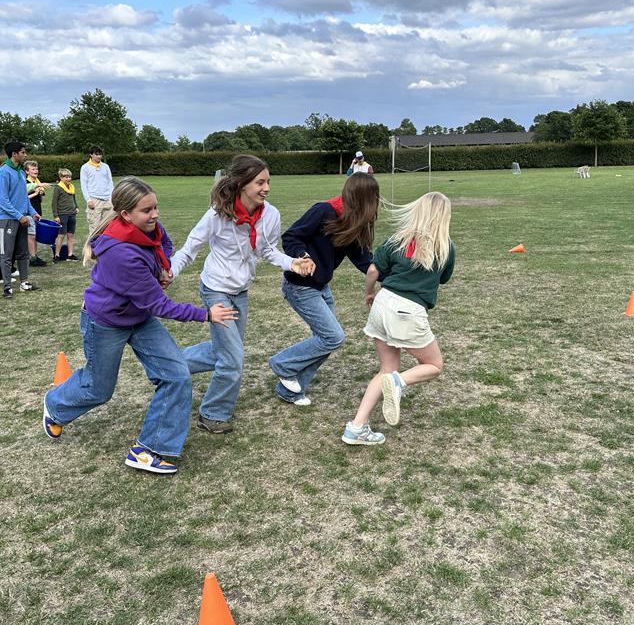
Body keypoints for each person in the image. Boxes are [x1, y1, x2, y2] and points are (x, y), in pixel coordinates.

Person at [42, 177, 236, 475]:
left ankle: (149, 450)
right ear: (125, 215)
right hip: (106, 322)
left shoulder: (149, 228)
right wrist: (206, 315)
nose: (155, 214)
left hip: (138, 317)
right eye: (147, 210)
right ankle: (55, 405)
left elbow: (165, 243)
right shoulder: (122, 253)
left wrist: (165, 267)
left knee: (176, 375)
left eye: (155, 207)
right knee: (99, 388)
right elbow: (160, 305)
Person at [170, 154, 314, 434]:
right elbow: (190, 248)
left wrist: (293, 263)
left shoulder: (270, 214)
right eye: (260, 182)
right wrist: (170, 273)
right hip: (216, 290)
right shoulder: (216, 214)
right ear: (242, 184)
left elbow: (268, 251)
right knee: (233, 358)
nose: (266, 188)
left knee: (222, 351)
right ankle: (212, 413)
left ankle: (168, 363)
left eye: (268, 182)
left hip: (240, 292)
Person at [342, 192, 455, 446]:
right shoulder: (446, 247)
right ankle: (398, 382)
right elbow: (444, 278)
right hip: (407, 310)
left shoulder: (396, 241)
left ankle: (356, 427)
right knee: (434, 365)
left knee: (386, 369)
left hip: (383, 304)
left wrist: (369, 293)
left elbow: (373, 270)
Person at [268, 173, 380, 406]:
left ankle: (290, 391)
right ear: (363, 199)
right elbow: (291, 236)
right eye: (374, 199)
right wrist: (303, 256)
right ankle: (283, 365)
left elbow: (363, 260)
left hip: (320, 286)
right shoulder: (323, 210)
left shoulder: (352, 222)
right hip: (299, 286)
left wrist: (394, 274)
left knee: (326, 339)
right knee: (332, 337)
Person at [0, 141, 41, 298]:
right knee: (6, 254)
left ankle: (24, 283)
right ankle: (7, 287)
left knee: (23, 253)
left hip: (23, 218)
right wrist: (19, 216)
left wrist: (32, 212)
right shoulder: (4, 172)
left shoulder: (21, 172)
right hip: (6, 219)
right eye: (23, 152)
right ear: (14, 154)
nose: (25, 155)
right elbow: (2, 199)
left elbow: (23, 196)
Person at [80, 146, 114, 236]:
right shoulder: (85, 167)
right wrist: (88, 200)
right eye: (96, 154)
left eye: (100, 154)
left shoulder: (105, 167)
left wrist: (111, 198)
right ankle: (93, 250)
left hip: (108, 200)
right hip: (94, 201)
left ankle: (105, 249)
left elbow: (110, 182)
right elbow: (83, 185)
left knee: (108, 227)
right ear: (91, 155)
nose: (99, 157)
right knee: (95, 229)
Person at [25, 159, 50, 267]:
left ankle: (34, 255)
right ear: (27, 172)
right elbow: (23, 198)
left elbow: (41, 200)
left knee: (35, 235)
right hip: (28, 212)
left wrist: (40, 194)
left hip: (37, 211)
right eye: (33, 169)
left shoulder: (37, 181)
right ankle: (32, 258)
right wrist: (35, 193)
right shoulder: (26, 182)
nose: (36, 170)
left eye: (36, 168)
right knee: (31, 236)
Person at [52, 168, 80, 261]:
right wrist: (56, 216)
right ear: (61, 177)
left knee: (71, 235)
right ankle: (57, 255)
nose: (68, 179)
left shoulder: (72, 187)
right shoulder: (58, 188)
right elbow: (54, 203)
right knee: (61, 235)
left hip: (72, 214)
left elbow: (73, 199)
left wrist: (76, 206)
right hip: (62, 215)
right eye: (66, 177)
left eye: (69, 177)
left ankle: (70, 254)